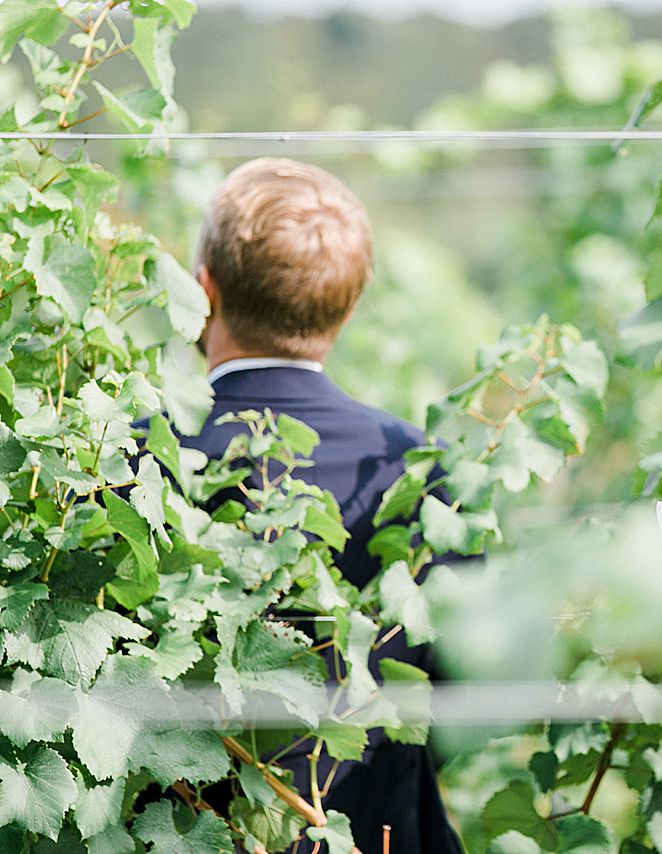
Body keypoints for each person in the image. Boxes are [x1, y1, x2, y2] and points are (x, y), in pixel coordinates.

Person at [180, 157, 463, 854]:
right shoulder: (413, 468)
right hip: (377, 831)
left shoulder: (133, 459)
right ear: (351, 302)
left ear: (204, 288)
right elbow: (453, 696)